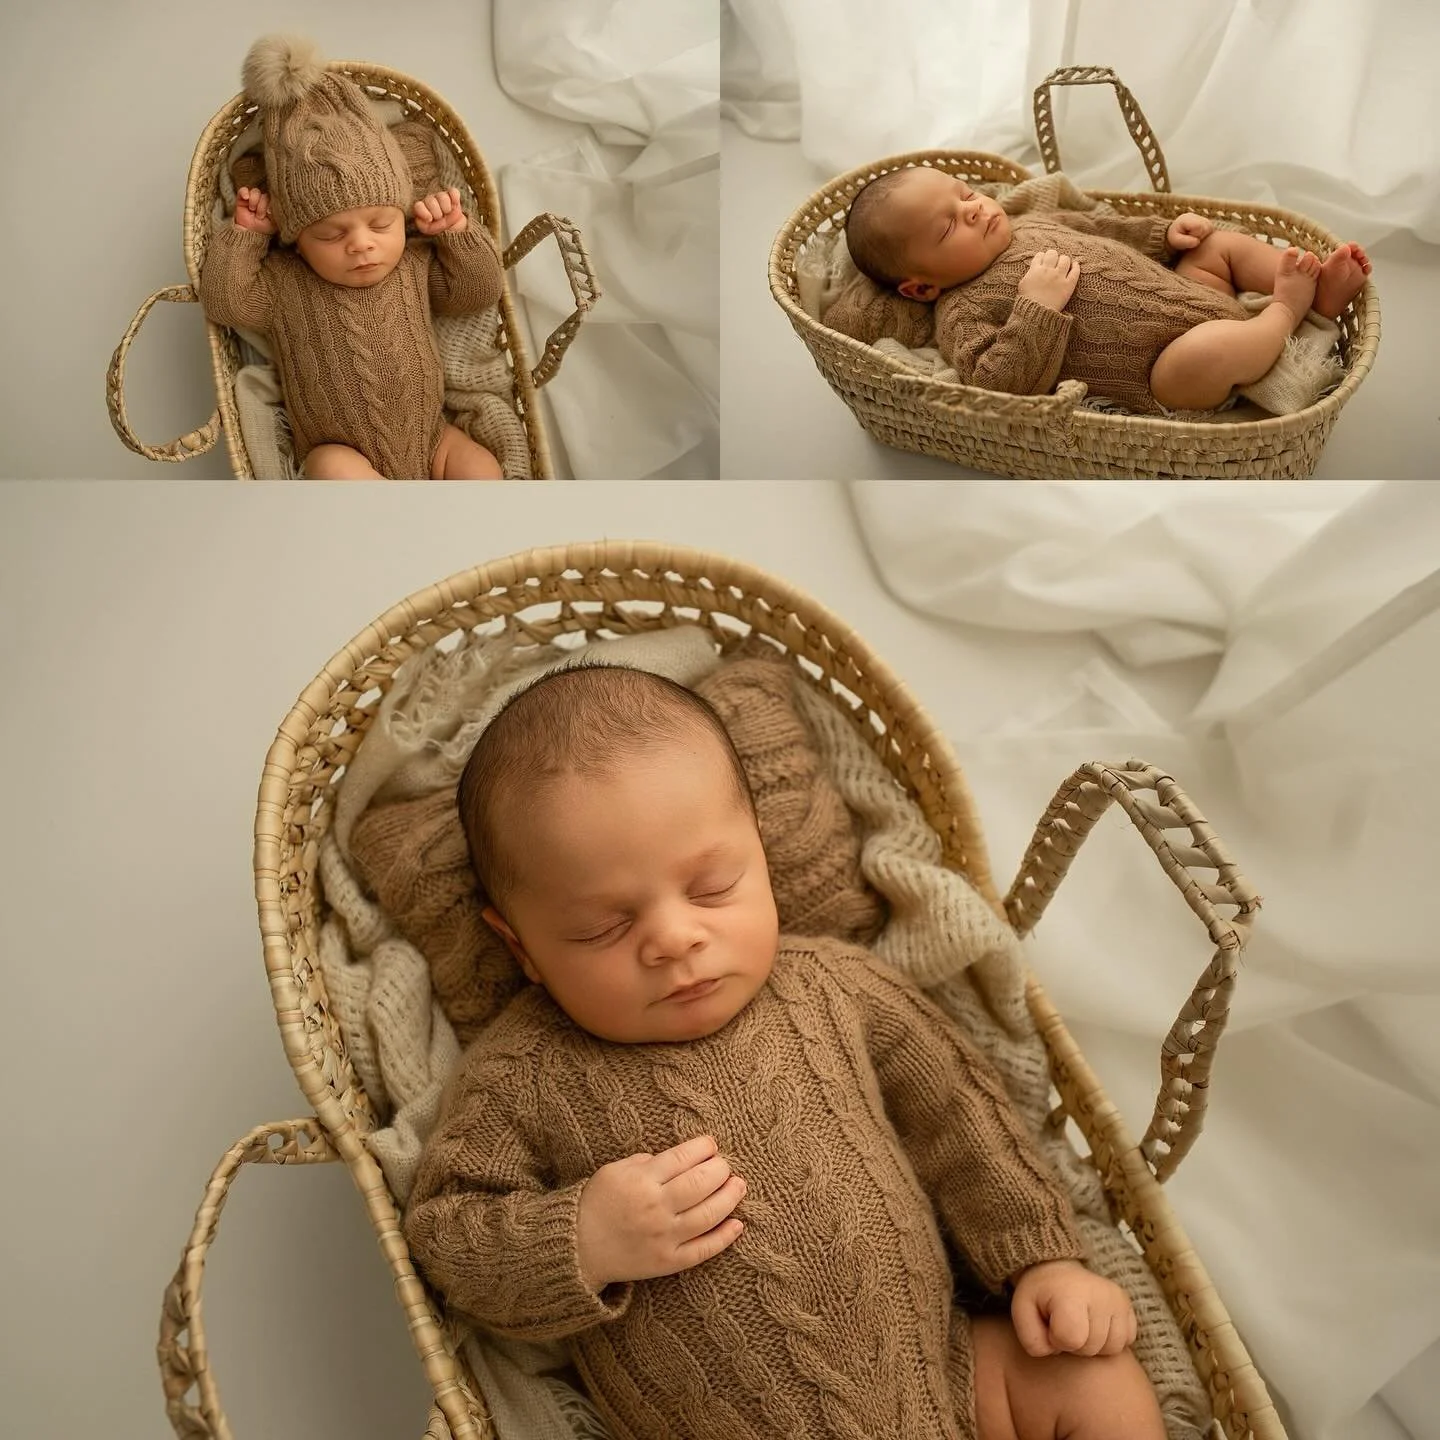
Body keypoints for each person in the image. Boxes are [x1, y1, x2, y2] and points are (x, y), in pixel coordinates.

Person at [404, 663, 1167, 1439]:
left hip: (953, 1375)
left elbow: (961, 1118)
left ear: (760, 854)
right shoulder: (521, 1074)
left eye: (711, 887)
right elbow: (449, 1234)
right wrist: (585, 1238)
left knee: (1085, 1372)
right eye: (603, 927)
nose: (674, 939)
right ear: (521, 946)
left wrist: (1041, 1259)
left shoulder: (837, 985)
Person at [198, 34, 504, 479]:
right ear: (296, 239)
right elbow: (225, 301)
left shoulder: (413, 265)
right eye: (330, 234)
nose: (361, 244)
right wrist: (245, 236)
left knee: (480, 467)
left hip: (433, 439)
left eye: (381, 225)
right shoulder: (283, 283)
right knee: (333, 470)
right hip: (338, 450)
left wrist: (456, 234)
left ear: (403, 216)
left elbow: (477, 292)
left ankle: (467, 530)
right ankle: (395, 529)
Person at [844, 165, 1371, 414]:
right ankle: (1286, 311)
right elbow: (998, 385)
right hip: (1165, 372)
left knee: (1218, 246)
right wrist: (1035, 308)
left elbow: (1100, 226)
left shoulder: (1028, 223)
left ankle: (1318, 294)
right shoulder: (959, 313)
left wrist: (1161, 234)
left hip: (1194, 294)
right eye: (946, 228)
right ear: (919, 288)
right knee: (1201, 354)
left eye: (966, 194)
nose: (975, 208)